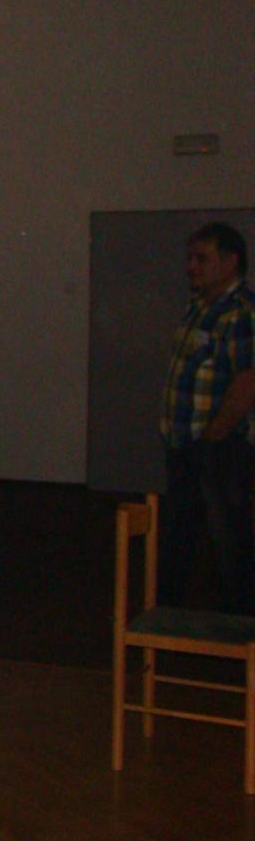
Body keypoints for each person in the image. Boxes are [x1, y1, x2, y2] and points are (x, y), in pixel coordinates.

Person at [158, 221, 255, 614]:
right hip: (185, 443)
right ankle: (167, 615)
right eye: (190, 259)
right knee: (179, 531)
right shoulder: (199, 306)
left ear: (230, 261)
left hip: (218, 447)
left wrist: (214, 436)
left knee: (227, 537)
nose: (191, 267)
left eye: (201, 259)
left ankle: (240, 626)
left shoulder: (240, 313)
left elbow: (247, 382)